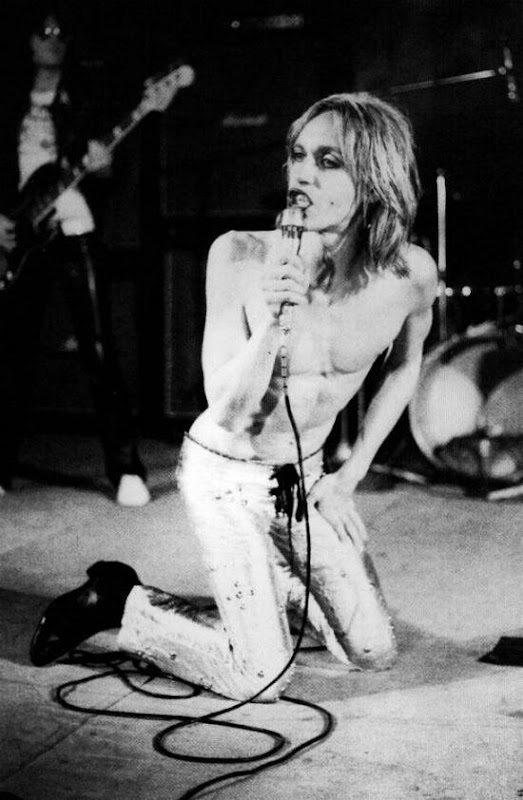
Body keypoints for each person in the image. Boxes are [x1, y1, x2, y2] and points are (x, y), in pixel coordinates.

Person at [30, 92, 438, 701]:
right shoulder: (239, 254)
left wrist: (350, 475)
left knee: (375, 652)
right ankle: (124, 602)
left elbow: (406, 366)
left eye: (329, 161)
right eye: (298, 155)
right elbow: (225, 406)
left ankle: (274, 586)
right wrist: (274, 323)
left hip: (301, 479)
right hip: (226, 476)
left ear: (375, 177)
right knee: (261, 678)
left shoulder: (410, 275)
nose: (303, 173)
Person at [0, 6, 150, 506]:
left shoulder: (83, 98)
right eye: (45, 31)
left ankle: (126, 469)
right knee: (13, 351)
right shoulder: (9, 100)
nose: (54, 39)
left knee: (99, 347)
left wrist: (104, 165)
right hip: (19, 233)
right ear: (28, 41)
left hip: (73, 225)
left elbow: (104, 167)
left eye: (62, 32)